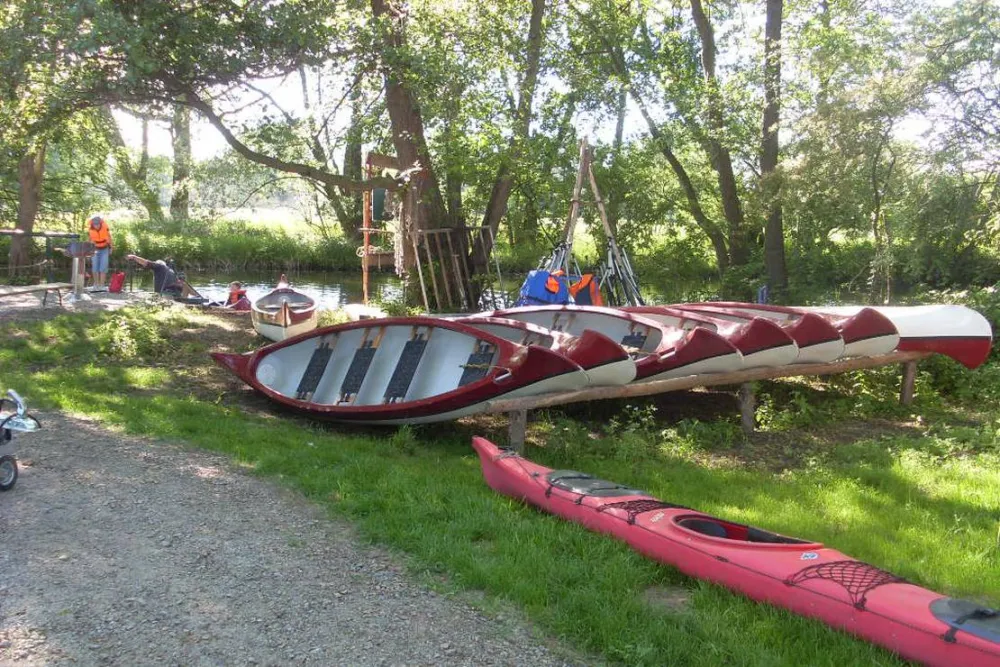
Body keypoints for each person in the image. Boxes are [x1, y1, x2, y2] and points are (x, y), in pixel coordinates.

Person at [125, 253, 199, 298]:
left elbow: (177, 281)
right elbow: (146, 263)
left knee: (183, 284)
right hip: (165, 291)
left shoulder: (169, 270)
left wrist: (179, 281)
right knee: (184, 285)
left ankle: (197, 297)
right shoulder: (160, 267)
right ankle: (197, 297)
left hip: (173, 290)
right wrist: (134, 257)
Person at [87, 215, 112, 290]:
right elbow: (89, 240)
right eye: (95, 224)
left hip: (105, 249)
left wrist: (111, 248)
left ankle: (102, 285)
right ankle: (96, 284)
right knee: (95, 267)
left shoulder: (105, 229)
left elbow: (109, 238)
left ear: (100, 223)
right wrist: (89, 249)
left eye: (98, 224)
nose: (96, 226)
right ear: (92, 224)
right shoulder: (91, 230)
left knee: (103, 268)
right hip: (94, 249)